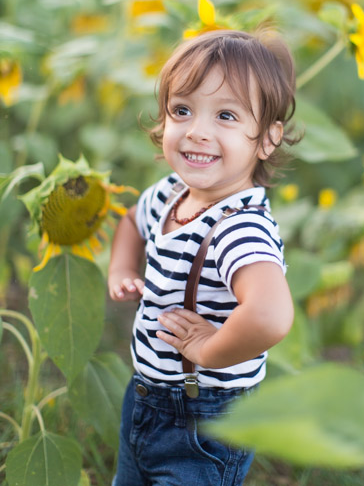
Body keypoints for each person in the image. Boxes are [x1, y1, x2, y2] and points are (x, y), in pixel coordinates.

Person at [108, 29, 299, 486]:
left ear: (267, 140)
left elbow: (271, 316)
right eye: (182, 110)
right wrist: (122, 268)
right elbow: (133, 220)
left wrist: (208, 350)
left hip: (206, 417)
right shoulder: (172, 194)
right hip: (146, 397)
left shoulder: (238, 228)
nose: (197, 131)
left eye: (226, 115)